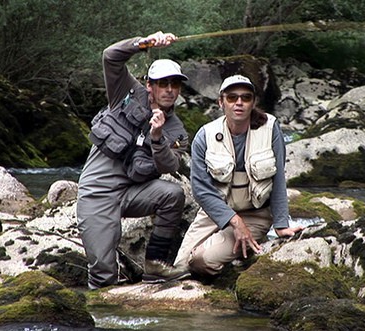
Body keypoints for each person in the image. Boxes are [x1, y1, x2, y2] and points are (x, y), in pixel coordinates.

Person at [77, 31, 190, 290]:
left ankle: (156, 265)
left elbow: (169, 166)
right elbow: (110, 57)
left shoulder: (177, 129)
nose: (169, 90)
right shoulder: (125, 92)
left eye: (175, 84)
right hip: (98, 193)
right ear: (149, 85)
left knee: (173, 194)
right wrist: (141, 43)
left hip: (133, 193)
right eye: (163, 83)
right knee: (103, 275)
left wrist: (158, 137)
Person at [173, 74, 304, 277]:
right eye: (232, 97)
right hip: (214, 214)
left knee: (200, 261)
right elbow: (201, 190)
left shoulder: (271, 129)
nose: (239, 103)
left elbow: (278, 179)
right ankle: (235, 248)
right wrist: (234, 222)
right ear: (221, 102)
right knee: (180, 268)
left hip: (256, 214)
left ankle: (241, 257)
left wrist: (281, 225)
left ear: (254, 102)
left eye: (246, 97)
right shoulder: (205, 135)